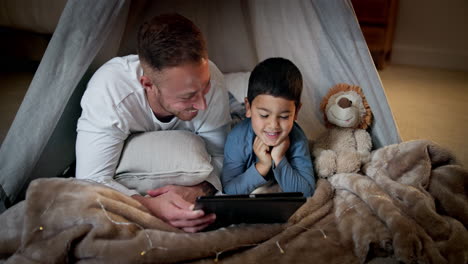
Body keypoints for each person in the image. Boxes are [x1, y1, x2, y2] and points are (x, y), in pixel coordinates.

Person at [75, 13, 231, 232]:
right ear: (147, 84)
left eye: (204, 88)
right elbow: (90, 180)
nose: (203, 104)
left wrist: (199, 189)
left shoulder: (212, 79)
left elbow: (224, 157)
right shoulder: (109, 91)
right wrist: (150, 205)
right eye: (187, 97)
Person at [222, 57, 315, 197]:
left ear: (296, 112)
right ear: (249, 107)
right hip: (240, 120)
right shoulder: (237, 138)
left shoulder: (297, 138)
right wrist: (263, 166)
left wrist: (279, 158)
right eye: (265, 115)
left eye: (284, 117)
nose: (273, 126)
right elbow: (229, 190)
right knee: (230, 110)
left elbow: (307, 191)